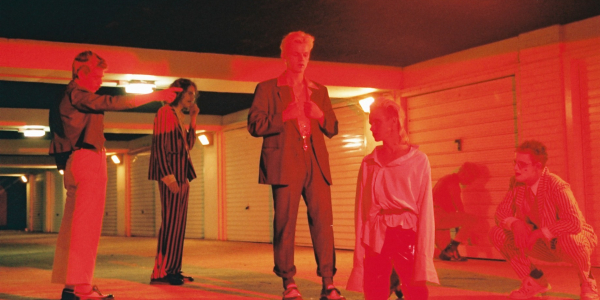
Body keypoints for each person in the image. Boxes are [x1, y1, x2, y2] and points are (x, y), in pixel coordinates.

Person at [49, 50, 181, 300]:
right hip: (87, 159)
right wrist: (155, 96)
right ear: (81, 72)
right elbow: (112, 102)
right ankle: (83, 290)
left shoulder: (66, 95)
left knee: (74, 229)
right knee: (87, 229)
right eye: (97, 76)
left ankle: (72, 287)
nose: (100, 81)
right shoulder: (77, 94)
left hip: (74, 160)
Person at [247, 31, 343, 300]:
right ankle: (289, 282)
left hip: (315, 162)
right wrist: (283, 116)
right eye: (296, 54)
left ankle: (328, 282)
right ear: (285, 56)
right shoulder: (267, 88)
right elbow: (254, 125)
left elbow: (333, 127)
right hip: (284, 161)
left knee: (323, 223)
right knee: (285, 224)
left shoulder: (319, 91)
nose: (301, 60)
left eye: (306, 55)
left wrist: (320, 115)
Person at [346, 98, 439, 300]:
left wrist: (424, 250)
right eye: (370, 122)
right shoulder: (369, 162)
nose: (371, 127)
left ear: (394, 122)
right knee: (374, 288)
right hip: (376, 232)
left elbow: (426, 208)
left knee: (415, 289)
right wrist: (361, 246)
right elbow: (361, 210)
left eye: (376, 121)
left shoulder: (417, 160)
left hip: (406, 233)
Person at [490, 140, 599, 300]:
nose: (515, 168)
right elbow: (500, 213)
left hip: (572, 242)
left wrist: (540, 232)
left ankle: (587, 281)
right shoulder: (517, 183)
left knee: (568, 238)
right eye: (515, 163)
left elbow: (573, 223)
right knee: (497, 233)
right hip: (543, 244)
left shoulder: (557, 185)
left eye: (521, 164)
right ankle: (535, 281)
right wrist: (515, 223)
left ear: (538, 166)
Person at [148, 78, 199, 285]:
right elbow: (159, 145)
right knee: (171, 223)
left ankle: (173, 269)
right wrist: (168, 177)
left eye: (193, 95)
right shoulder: (164, 113)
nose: (191, 98)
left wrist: (193, 119)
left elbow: (188, 146)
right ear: (177, 92)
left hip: (182, 174)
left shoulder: (179, 116)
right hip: (171, 176)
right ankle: (164, 271)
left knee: (178, 224)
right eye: (188, 93)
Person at [434, 162, 480, 261]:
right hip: (439, 216)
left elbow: (454, 215)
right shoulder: (452, 181)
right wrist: (468, 230)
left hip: (433, 218)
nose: (469, 183)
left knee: (445, 253)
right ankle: (451, 248)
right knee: (472, 219)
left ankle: (448, 250)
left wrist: (461, 231)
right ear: (463, 173)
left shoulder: (445, 179)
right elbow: (458, 204)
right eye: (470, 179)